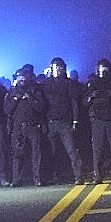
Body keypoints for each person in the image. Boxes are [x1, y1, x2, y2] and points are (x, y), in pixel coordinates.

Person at [82, 58, 111, 183]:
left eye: (105, 68)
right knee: (98, 149)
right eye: (101, 68)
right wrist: (91, 96)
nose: (103, 71)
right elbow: (84, 101)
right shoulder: (93, 82)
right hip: (97, 120)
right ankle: (98, 175)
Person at [39, 57, 84, 185]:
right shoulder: (46, 83)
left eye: (59, 67)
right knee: (52, 151)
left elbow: (74, 102)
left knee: (71, 150)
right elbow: (42, 101)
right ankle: (56, 176)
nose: (57, 69)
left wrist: (75, 120)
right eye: (54, 67)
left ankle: (78, 176)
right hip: (51, 121)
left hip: (65, 122)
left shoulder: (68, 83)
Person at [5, 64, 50, 186]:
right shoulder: (12, 92)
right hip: (18, 127)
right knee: (17, 155)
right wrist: (16, 99)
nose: (22, 80)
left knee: (36, 154)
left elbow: (41, 107)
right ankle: (16, 179)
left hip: (33, 126)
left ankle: (37, 179)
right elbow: (7, 110)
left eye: (24, 77)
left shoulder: (35, 91)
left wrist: (30, 98)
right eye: (20, 77)